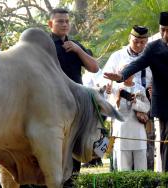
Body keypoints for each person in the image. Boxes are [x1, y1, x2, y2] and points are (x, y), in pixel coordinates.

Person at [104, 11, 168, 173]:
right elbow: (137, 63)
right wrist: (122, 76)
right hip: (166, 103)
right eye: (162, 29)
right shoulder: (153, 47)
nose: (165, 34)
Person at [48, 7, 99, 185]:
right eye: (60, 21)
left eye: (67, 21)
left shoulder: (75, 45)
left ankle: (72, 181)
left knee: (74, 147)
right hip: (52, 104)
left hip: (77, 105)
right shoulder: (44, 45)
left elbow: (94, 67)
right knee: (55, 146)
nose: (64, 24)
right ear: (50, 24)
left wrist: (78, 50)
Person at [106, 69, 150, 171]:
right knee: (123, 170)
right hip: (121, 133)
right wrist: (117, 100)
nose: (127, 75)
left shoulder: (140, 88)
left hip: (138, 133)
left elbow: (147, 108)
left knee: (141, 170)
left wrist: (135, 102)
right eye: (123, 73)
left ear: (133, 73)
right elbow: (109, 111)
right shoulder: (115, 88)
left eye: (129, 72)